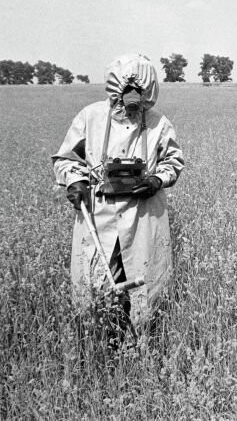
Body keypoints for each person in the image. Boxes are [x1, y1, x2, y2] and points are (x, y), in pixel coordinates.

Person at [52, 54, 184, 334]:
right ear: (116, 88)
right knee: (94, 284)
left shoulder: (159, 123)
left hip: (142, 214)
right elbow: (66, 159)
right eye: (128, 90)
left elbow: (173, 161)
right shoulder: (91, 117)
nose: (133, 98)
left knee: (145, 286)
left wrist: (157, 180)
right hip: (99, 213)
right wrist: (76, 181)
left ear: (148, 92)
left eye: (139, 91)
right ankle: (101, 341)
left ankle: (143, 342)